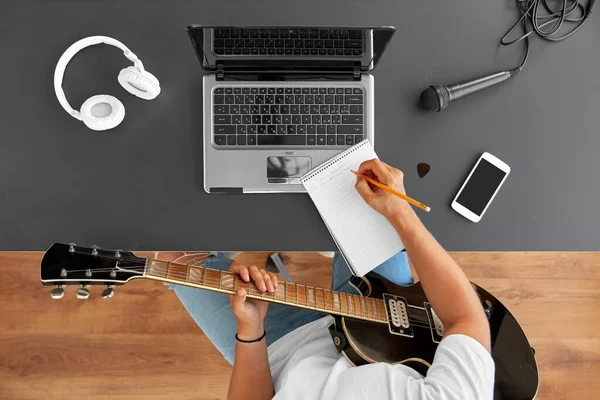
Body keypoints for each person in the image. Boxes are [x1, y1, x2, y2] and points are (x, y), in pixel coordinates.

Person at [164, 160, 494, 400]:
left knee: (170, 253)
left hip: (278, 349)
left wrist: (250, 330)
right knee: (360, 176)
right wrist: (400, 213)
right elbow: (466, 318)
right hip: (388, 312)